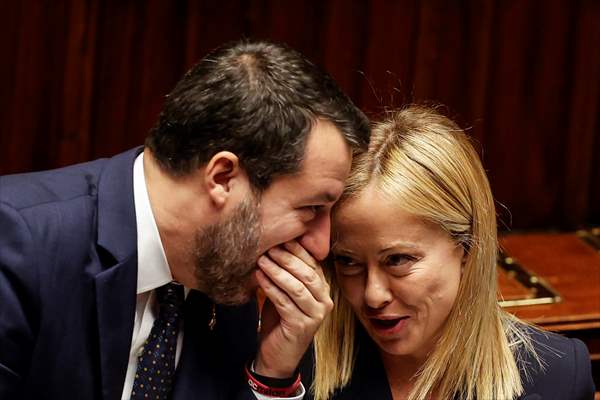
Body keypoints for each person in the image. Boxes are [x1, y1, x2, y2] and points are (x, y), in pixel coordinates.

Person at [0, 39, 369, 400]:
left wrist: (271, 373)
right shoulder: (17, 243)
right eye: (311, 209)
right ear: (223, 177)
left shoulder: (225, 275)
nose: (320, 247)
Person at [307, 105, 596, 399]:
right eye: (348, 262)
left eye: (397, 260)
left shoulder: (557, 377)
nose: (372, 295)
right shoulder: (301, 366)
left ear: (467, 246)